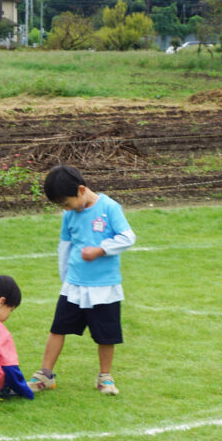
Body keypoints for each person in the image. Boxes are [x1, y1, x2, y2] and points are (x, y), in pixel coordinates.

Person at [28, 165, 136, 395]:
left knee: (106, 335)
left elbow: (128, 237)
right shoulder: (69, 215)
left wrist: (101, 249)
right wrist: (66, 279)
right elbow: (65, 247)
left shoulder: (109, 208)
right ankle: (45, 374)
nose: (66, 209)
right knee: (58, 329)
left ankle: (105, 377)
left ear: (81, 189)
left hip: (105, 287)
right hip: (74, 286)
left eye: (67, 203)